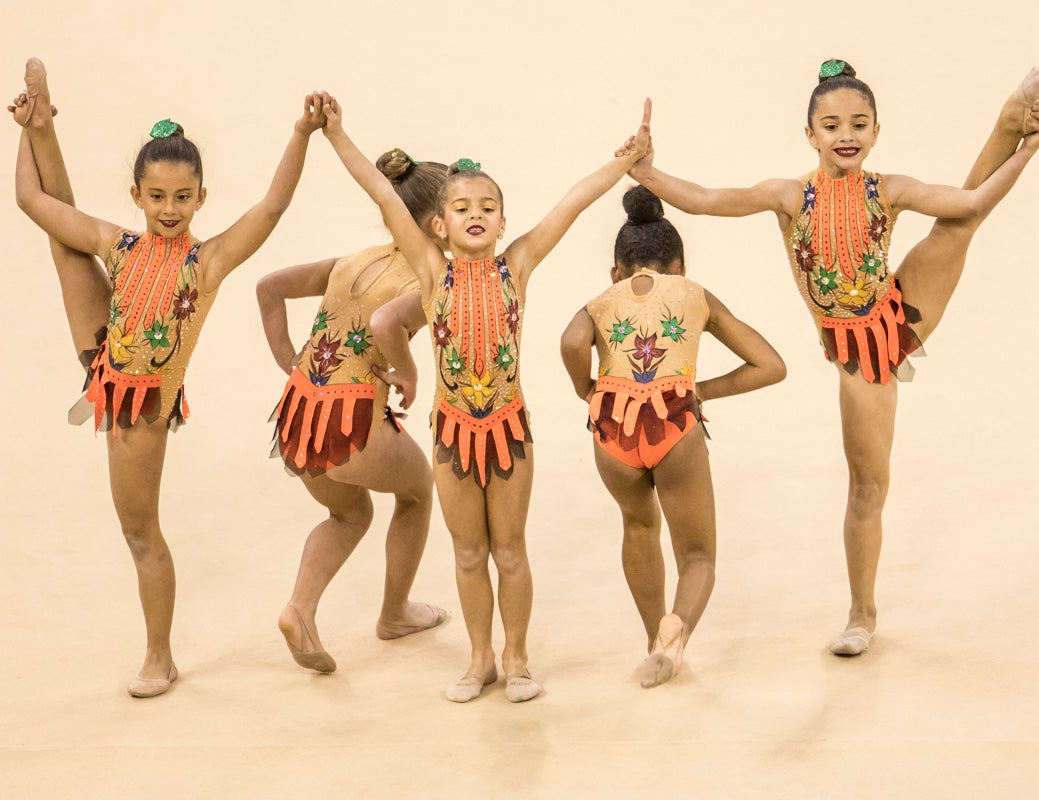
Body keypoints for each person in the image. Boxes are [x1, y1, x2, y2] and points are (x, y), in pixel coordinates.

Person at [625, 62, 1039, 655]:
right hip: (858, 354)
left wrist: (1028, 150)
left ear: (877, 130)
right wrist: (645, 170)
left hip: (898, 309)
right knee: (867, 487)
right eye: (831, 126)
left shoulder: (888, 189)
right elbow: (704, 200)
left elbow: (974, 198)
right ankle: (862, 613)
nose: (845, 135)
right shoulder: (789, 196)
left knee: (958, 225)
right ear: (810, 134)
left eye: (858, 124)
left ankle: (1011, 118)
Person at [11, 57, 327, 696]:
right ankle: (44, 122)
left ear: (202, 197)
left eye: (183, 197)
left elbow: (271, 208)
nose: (170, 208)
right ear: (136, 196)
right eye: (156, 197)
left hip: (143, 408)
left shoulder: (207, 263)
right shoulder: (120, 243)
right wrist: (25, 132)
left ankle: (160, 657)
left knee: (140, 531)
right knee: (63, 241)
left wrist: (301, 134)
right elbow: (31, 201)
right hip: (104, 357)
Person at [322, 93, 650, 702]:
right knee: (469, 552)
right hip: (452, 433)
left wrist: (624, 161)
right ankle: (480, 661)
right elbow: (384, 195)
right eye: (462, 208)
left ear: (502, 221)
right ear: (439, 225)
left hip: (507, 430)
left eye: (488, 207)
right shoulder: (432, 272)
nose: (476, 215)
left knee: (510, 550)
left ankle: (517, 657)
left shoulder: (516, 266)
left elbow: (571, 203)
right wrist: (337, 134)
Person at [560, 185, 786, 687]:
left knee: (638, 525)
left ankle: (652, 642)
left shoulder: (600, 301)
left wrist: (586, 388)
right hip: (673, 420)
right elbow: (771, 365)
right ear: (680, 266)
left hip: (613, 426)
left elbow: (572, 341)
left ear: (616, 271)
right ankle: (675, 633)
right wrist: (699, 390)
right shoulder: (692, 293)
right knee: (698, 555)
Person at [256, 149, 450, 674]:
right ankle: (395, 612)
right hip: (350, 420)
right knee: (418, 490)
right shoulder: (432, 279)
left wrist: (290, 362)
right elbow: (387, 322)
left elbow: (269, 288)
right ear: (439, 222)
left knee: (348, 514)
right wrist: (408, 372)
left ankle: (299, 609)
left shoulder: (354, 259)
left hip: (297, 414)